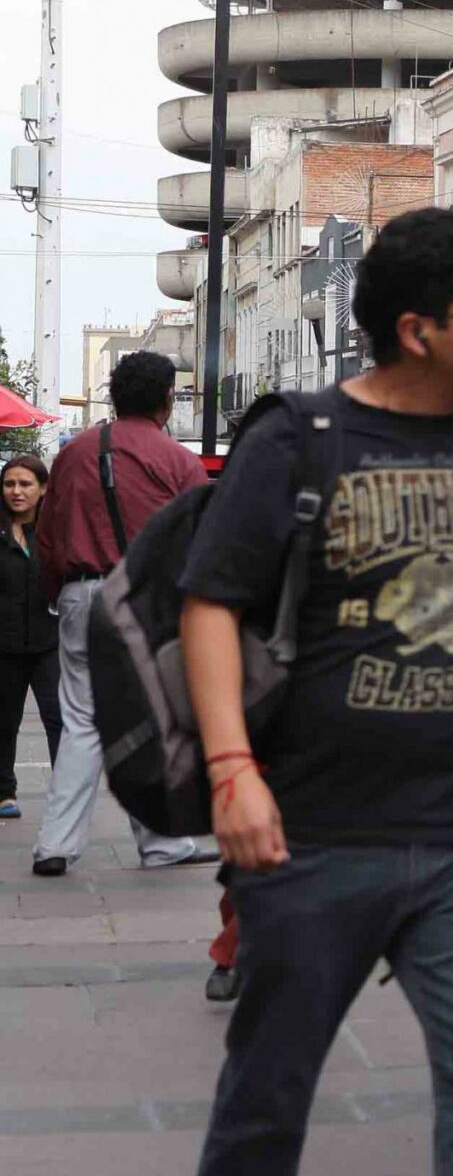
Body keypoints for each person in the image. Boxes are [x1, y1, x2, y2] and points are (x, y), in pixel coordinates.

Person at [170, 207, 453, 1176]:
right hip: (312, 842)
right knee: (269, 1093)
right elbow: (210, 603)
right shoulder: (298, 441)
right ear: (414, 329)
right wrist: (231, 772)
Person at [33, 350, 211, 874]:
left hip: (78, 594)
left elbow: (48, 536)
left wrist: (56, 593)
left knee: (82, 719)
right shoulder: (179, 460)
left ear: (112, 395)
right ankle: (162, 842)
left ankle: (55, 845)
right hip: (147, 601)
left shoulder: (73, 454)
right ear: (166, 398)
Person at [0, 455, 59, 822]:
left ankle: (65, 790)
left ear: (43, 489)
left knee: (59, 719)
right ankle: (4, 791)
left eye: (25, 484)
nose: (16, 492)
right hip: (3, 643)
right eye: (9, 484)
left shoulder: (55, 531)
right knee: (4, 720)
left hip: (48, 641)